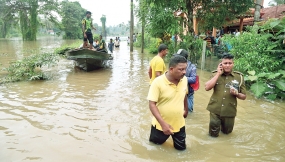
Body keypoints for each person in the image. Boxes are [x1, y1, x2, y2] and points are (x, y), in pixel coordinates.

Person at [147, 55, 188, 150]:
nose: (184, 72)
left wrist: (186, 109)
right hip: (160, 126)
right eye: (181, 69)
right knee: (154, 149)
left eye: (185, 69)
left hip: (179, 123)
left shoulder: (184, 79)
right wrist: (163, 124)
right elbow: (152, 104)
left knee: (181, 151)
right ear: (171, 69)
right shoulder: (157, 82)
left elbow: (184, 93)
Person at [205, 53, 246, 137]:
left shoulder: (239, 77)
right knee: (213, 135)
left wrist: (237, 94)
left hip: (229, 110)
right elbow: (207, 87)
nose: (227, 65)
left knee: (227, 134)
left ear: (233, 64)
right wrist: (218, 74)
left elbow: (244, 96)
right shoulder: (215, 74)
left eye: (230, 63)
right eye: (225, 63)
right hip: (215, 109)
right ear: (221, 64)